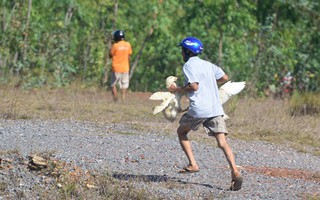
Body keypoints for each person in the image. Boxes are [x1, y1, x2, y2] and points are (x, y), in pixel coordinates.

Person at [168, 37, 243, 191]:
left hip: (199, 109)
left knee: (181, 132)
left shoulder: (188, 65)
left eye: (182, 50)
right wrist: (209, 82)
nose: (181, 52)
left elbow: (194, 86)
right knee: (222, 142)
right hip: (215, 108)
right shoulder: (208, 65)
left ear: (188, 52)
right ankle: (235, 171)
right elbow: (224, 78)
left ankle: (193, 164)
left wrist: (176, 90)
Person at [109, 30, 132, 102]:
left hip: (116, 68)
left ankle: (115, 99)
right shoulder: (128, 45)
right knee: (124, 84)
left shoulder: (115, 46)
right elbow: (129, 56)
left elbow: (110, 55)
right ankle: (123, 98)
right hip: (125, 68)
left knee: (113, 84)